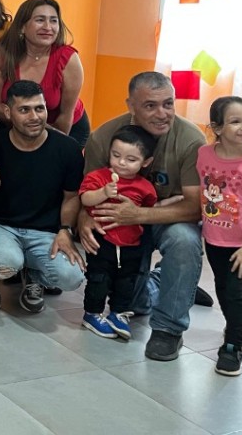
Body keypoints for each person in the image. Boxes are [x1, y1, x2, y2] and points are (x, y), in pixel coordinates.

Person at [80, 71, 207, 362]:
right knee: (135, 304)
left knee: (184, 240)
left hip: (166, 219)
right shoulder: (103, 137)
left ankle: (168, 329)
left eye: (168, 104)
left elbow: (194, 208)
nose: (162, 114)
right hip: (119, 222)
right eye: (150, 105)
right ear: (131, 106)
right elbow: (86, 189)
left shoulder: (191, 140)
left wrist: (138, 214)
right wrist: (84, 219)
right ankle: (167, 281)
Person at [0, 80, 86, 314]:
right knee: (5, 264)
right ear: (8, 112)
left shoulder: (68, 149)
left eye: (39, 108)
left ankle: (34, 276)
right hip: (3, 227)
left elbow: (71, 197)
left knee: (72, 277)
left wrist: (66, 230)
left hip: (46, 232)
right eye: (24, 110)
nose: (34, 116)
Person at [198, 96, 242, 376]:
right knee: (223, 289)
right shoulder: (204, 155)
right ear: (217, 127)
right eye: (236, 121)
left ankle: (232, 346)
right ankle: (237, 328)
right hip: (214, 240)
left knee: (238, 293)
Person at [78, 126, 158, 340]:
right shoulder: (98, 177)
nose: (121, 163)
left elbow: (149, 209)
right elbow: (85, 198)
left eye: (131, 159)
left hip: (132, 244)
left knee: (126, 281)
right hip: (102, 240)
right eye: (116, 155)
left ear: (146, 162)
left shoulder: (145, 186)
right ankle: (92, 314)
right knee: (99, 279)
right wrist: (103, 193)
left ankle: (119, 313)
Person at [0, 0, 89, 147]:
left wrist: (52, 141)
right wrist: (29, 125)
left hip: (66, 128)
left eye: (53, 21)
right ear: (22, 27)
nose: (48, 27)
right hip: (15, 126)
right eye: (40, 20)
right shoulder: (1, 54)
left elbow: (66, 114)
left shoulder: (69, 58)